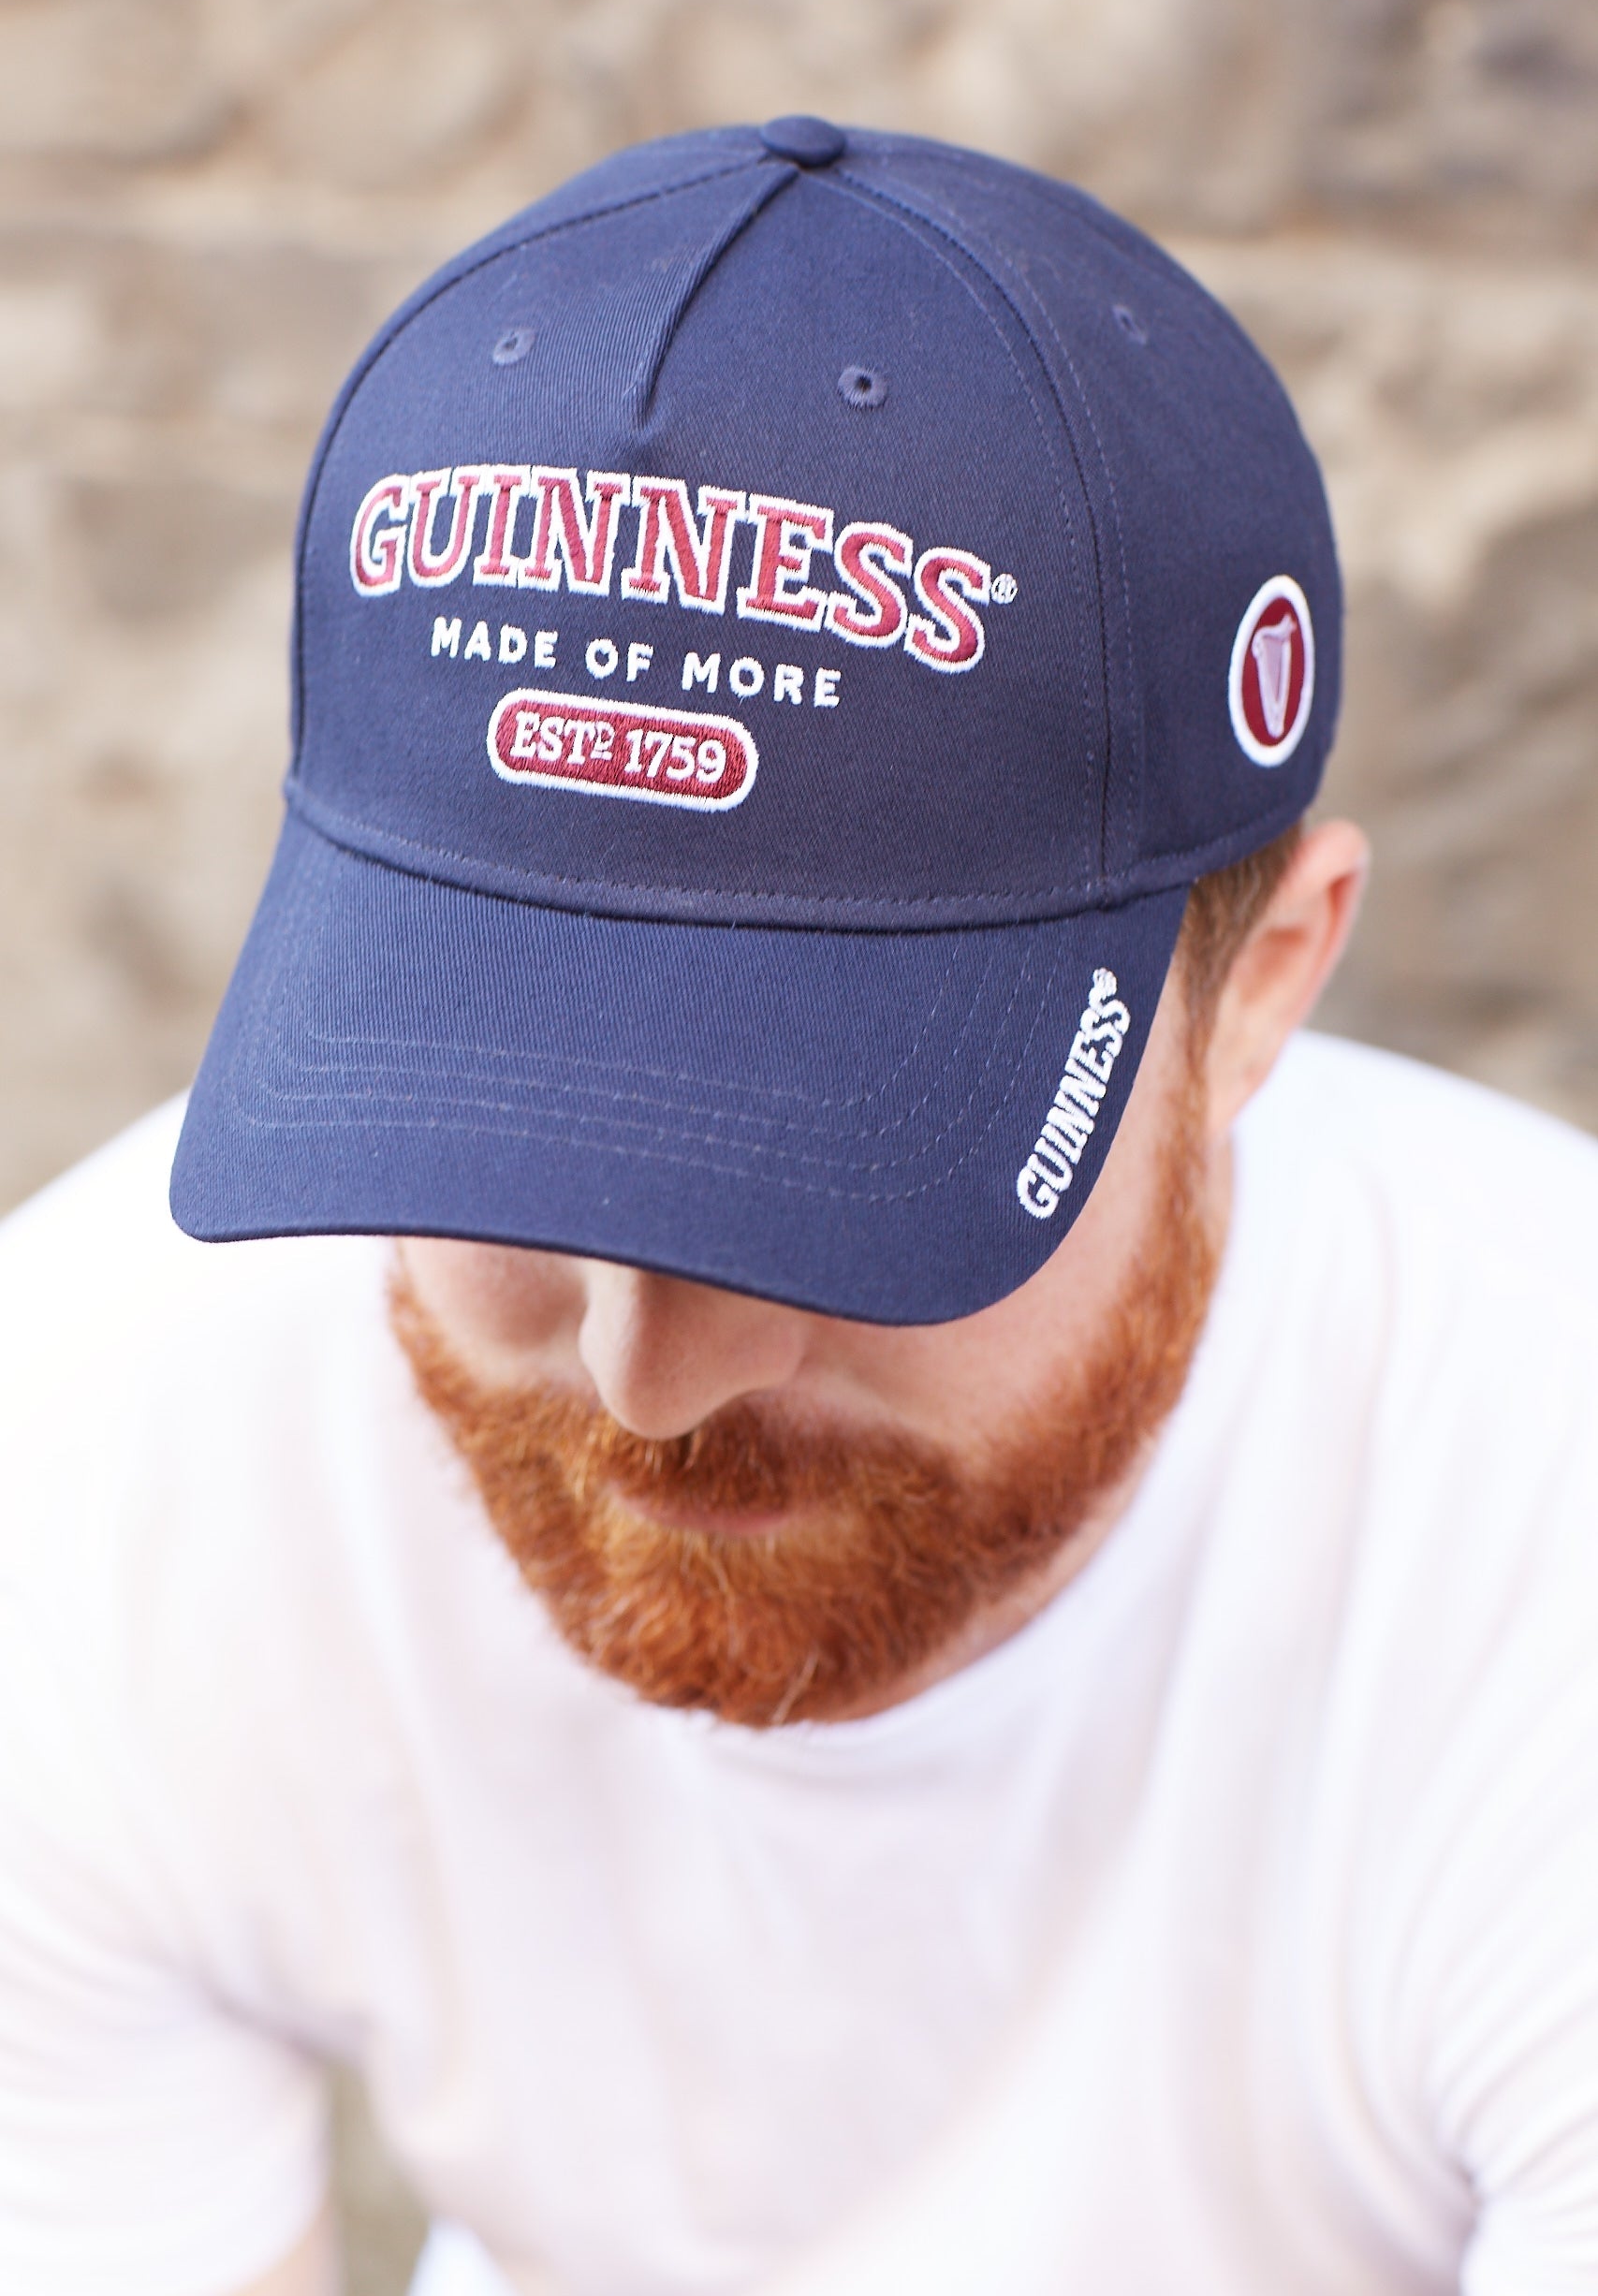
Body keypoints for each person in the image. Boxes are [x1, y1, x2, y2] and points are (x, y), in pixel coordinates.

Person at [3, 118, 1596, 2296]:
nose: (646, 1378)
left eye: (828, 1184)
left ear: (1260, 989)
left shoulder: (1532, 1541)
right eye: (510, 1130)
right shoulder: (105, 1447)